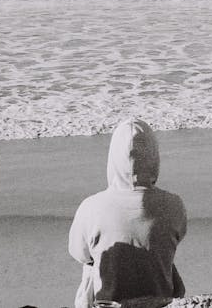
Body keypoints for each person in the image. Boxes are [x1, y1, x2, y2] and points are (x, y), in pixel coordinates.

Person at [69, 119, 188, 308]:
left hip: (111, 302)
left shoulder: (91, 206)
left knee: (91, 263)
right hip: (160, 300)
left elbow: (79, 254)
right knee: (160, 254)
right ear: (154, 157)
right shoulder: (174, 204)